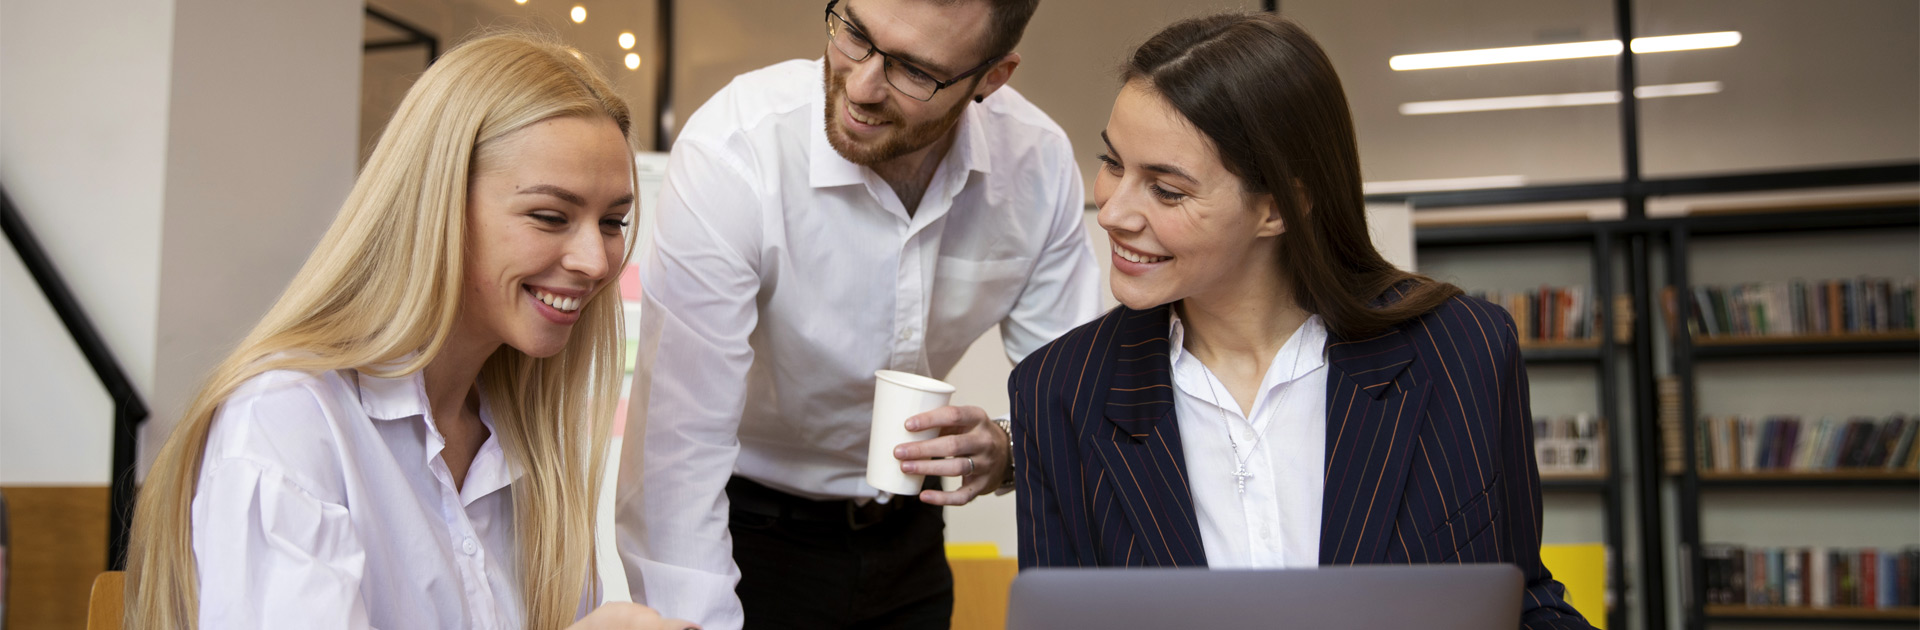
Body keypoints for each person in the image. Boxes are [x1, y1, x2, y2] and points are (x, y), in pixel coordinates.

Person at [1009, 13, 1595, 629]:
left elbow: (1521, 602)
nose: (1113, 211)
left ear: (1278, 207)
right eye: (1112, 163)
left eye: (1167, 189)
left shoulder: (1465, 352)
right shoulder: (1058, 392)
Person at [121, 33, 695, 630]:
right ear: (437, 203)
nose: (596, 262)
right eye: (550, 217)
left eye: (612, 222)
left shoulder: (529, 443)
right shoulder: (288, 420)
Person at [614, 0, 1100, 627]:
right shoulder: (738, 147)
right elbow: (675, 452)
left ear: (991, 79)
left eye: (915, 71)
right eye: (855, 35)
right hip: (748, 536)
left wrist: (1007, 447)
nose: (861, 86)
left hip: (912, 536)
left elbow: (1075, 396)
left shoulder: (1036, 165)